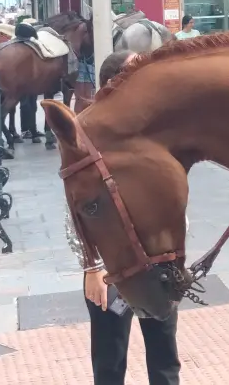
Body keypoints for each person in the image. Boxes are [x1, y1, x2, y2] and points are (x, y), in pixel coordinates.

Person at [66, 49, 182, 385]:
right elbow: (74, 209)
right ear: (115, 82)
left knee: (165, 360)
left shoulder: (156, 131)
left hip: (159, 262)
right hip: (112, 267)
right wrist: (91, 267)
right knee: (109, 361)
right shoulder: (87, 135)